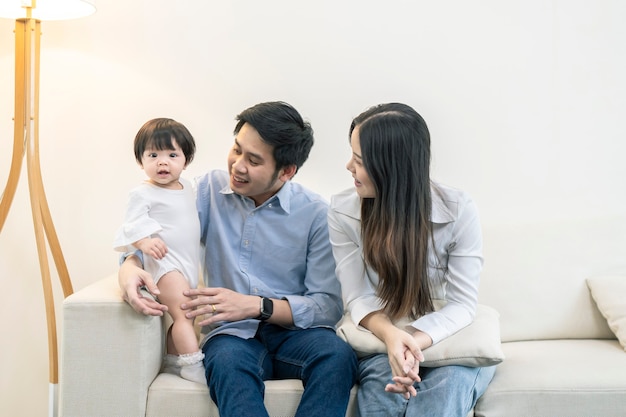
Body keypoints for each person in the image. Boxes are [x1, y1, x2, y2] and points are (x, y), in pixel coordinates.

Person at [118, 102, 358, 417]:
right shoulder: (206, 191)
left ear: (286, 171)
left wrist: (257, 305)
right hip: (230, 335)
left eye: (253, 160)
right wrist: (129, 267)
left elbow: (327, 305)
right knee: (227, 364)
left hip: (296, 335)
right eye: (236, 149)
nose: (238, 165)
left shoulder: (314, 213)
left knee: (338, 356)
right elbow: (162, 241)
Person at [327, 103, 496, 417]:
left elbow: (462, 304)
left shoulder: (458, 210)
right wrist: (393, 338)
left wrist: (412, 342)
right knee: (381, 398)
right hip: (381, 337)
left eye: (360, 160)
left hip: (448, 341)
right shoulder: (343, 211)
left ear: (393, 168)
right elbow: (357, 297)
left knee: (443, 396)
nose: (348, 166)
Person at [113, 118, 205, 383]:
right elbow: (130, 226)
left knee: (187, 315)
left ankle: (174, 361)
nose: (162, 162)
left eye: (172, 155)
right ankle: (192, 364)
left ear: (185, 160)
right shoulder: (143, 193)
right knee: (183, 312)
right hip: (165, 264)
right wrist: (143, 242)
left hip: (187, 262)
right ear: (141, 161)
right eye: (153, 155)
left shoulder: (187, 186)